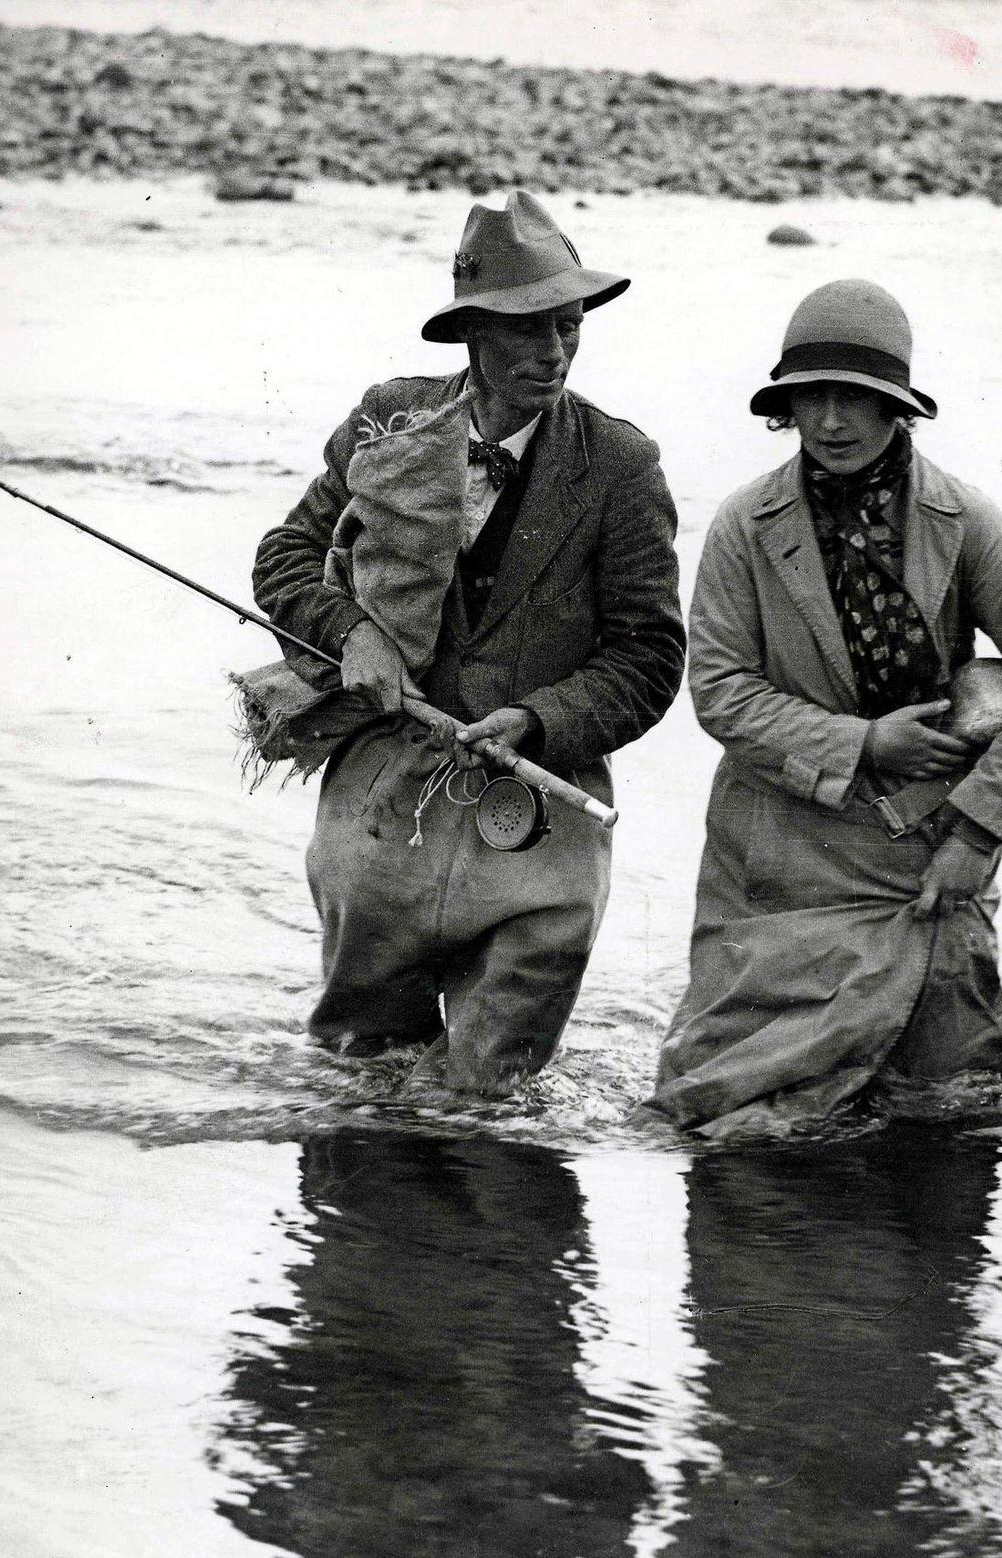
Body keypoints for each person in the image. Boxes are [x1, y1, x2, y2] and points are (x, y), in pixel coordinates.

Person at [252, 191, 684, 1097]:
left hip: (541, 825)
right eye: (529, 331)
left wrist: (537, 717)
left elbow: (650, 657)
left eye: (568, 327)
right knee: (359, 1083)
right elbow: (285, 555)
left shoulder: (620, 467)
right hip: (382, 815)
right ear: (471, 335)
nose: (554, 353)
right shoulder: (390, 422)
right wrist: (351, 631)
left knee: (488, 1102)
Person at [650, 280, 1002, 1136]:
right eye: (810, 396)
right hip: (778, 858)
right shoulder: (746, 523)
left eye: (855, 396)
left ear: (898, 407)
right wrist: (862, 741)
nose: (831, 421)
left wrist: (977, 835)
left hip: (926, 863)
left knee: (951, 1115)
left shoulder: (964, 521)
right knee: (723, 1119)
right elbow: (719, 688)